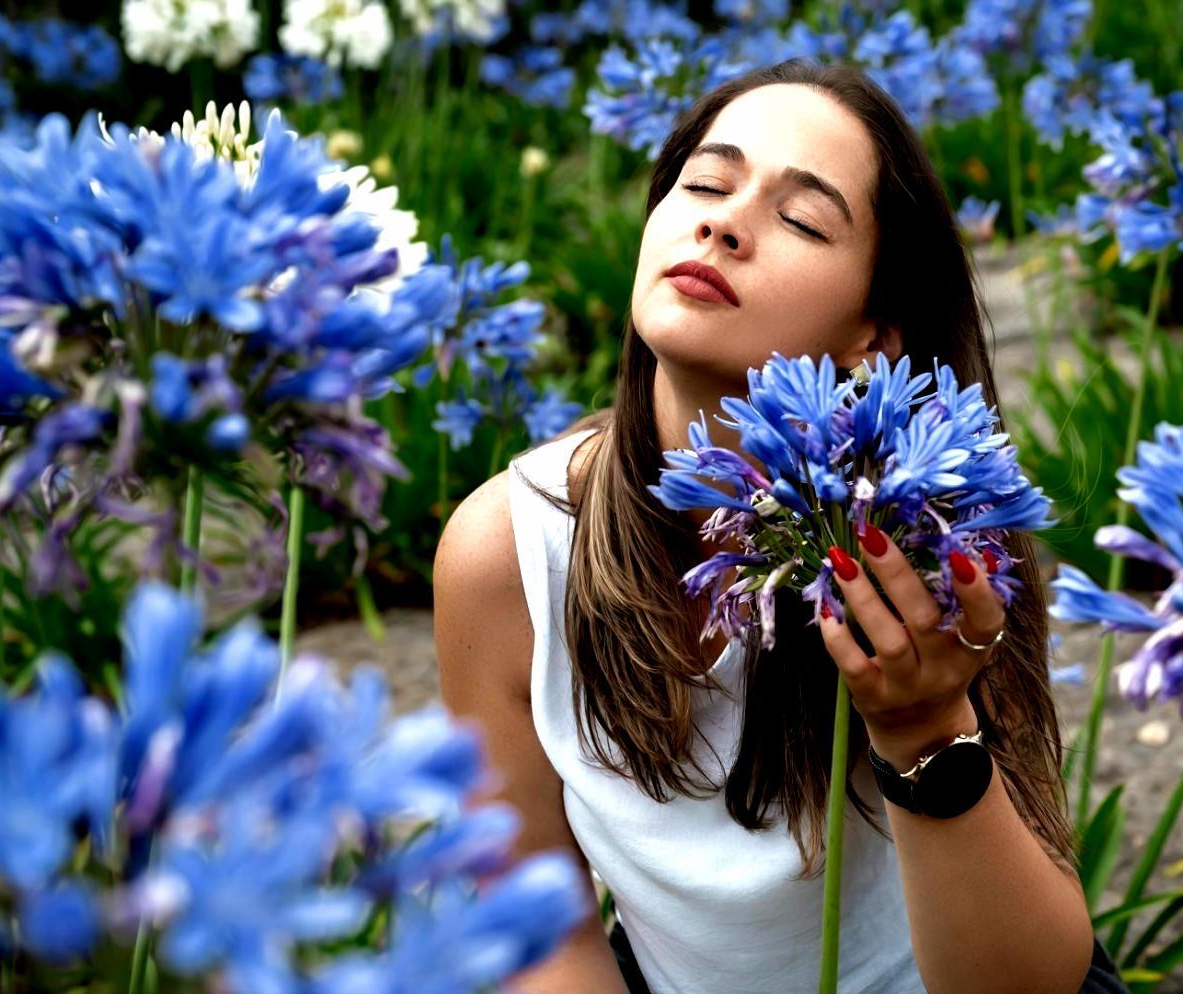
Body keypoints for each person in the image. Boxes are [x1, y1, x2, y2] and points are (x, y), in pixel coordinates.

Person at [435, 59, 1125, 994]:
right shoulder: (507, 552)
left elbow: (1027, 983)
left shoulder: (929, 530)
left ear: (871, 337)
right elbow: (532, 915)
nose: (721, 222)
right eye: (705, 184)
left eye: (802, 219)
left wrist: (923, 727)